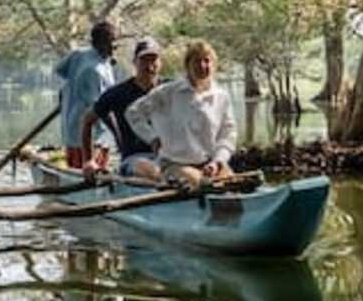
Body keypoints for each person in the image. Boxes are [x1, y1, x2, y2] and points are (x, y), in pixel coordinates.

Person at [125, 40, 236, 186]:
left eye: (206, 61)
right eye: (197, 61)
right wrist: (152, 138)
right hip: (174, 164)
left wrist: (218, 162)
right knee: (199, 183)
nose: (202, 66)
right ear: (187, 66)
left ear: (214, 65)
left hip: (209, 164)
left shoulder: (222, 97)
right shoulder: (169, 92)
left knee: (233, 182)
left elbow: (228, 134)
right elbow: (133, 113)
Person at [80, 37, 163, 179]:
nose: (149, 66)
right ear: (135, 63)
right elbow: (87, 121)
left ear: (160, 63)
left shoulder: (170, 90)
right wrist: (89, 161)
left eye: (153, 60)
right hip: (135, 159)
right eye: (144, 60)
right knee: (153, 172)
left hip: (169, 157)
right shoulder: (118, 93)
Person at [54, 20, 118, 169]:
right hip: (89, 135)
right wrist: (120, 136)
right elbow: (102, 110)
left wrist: (68, 89)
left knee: (86, 167)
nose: (114, 46)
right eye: (111, 42)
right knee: (87, 170)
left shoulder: (79, 54)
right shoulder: (93, 71)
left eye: (115, 42)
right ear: (99, 44)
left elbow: (60, 70)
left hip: (73, 126)